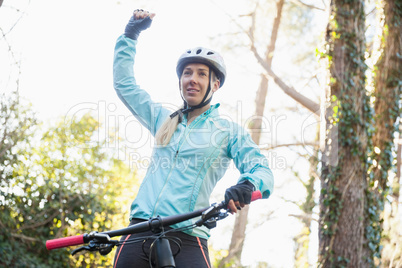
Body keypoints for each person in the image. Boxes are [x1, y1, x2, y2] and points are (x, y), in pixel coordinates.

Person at [112, 9, 274, 268]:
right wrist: (130, 35)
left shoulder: (228, 131)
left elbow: (262, 169)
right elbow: (124, 85)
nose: (193, 80)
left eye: (201, 73)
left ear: (215, 84)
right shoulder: (163, 119)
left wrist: (248, 184)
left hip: (188, 237)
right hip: (139, 232)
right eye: (187, 73)